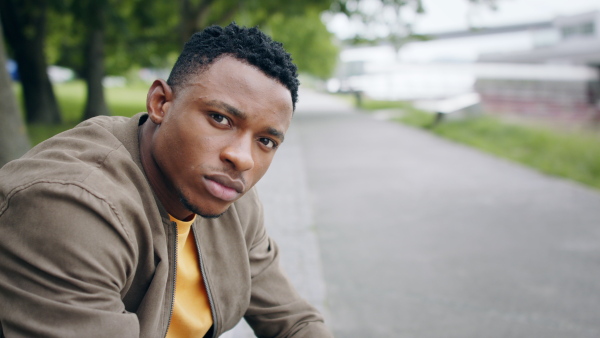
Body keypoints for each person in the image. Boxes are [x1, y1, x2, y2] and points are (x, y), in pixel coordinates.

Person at [0, 23, 332, 337]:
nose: (242, 158)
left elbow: (294, 321)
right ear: (161, 103)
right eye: (220, 118)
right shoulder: (69, 208)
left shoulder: (232, 198)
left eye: (266, 141)